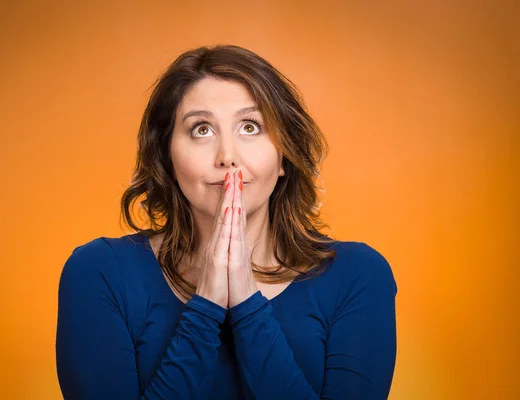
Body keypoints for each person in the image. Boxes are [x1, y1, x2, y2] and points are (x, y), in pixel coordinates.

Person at [55, 44, 397, 400]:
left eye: (250, 127)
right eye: (201, 129)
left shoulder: (359, 275)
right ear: (167, 157)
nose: (228, 156)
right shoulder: (99, 272)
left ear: (284, 157)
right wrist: (207, 306)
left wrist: (247, 304)